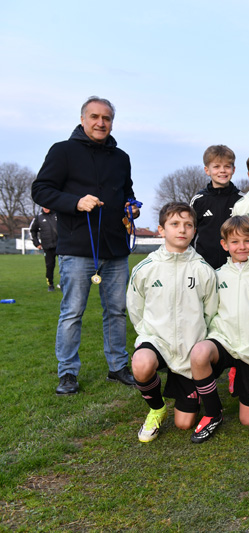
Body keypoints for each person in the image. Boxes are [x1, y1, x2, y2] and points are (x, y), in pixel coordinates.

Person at [31, 96, 139, 395]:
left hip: (115, 248)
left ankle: (117, 367)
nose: (100, 123)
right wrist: (75, 202)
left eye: (106, 118)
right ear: (83, 120)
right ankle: (67, 373)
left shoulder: (121, 157)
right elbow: (40, 190)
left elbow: (127, 192)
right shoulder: (63, 150)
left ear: (112, 122)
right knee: (72, 313)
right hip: (76, 247)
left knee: (116, 312)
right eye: (94, 117)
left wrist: (131, 206)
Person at [187, 215, 249, 443]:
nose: (241, 246)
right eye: (235, 242)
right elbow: (210, 311)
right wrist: (210, 336)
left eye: (247, 241)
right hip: (224, 341)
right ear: (224, 245)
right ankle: (213, 413)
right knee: (199, 353)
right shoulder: (217, 275)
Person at [127, 202, 219, 442]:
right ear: (161, 230)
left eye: (188, 225)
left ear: (195, 230)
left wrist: (197, 340)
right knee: (141, 363)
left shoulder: (203, 269)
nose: (182, 230)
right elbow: (135, 308)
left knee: (184, 424)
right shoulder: (146, 268)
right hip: (157, 340)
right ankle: (156, 409)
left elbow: (210, 312)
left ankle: (188, 389)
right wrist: (147, 334)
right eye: (175, 224)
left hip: (189, 347)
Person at [190, 145, 245, 269]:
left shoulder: (242, 200)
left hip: (236, 267)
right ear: (207, 170)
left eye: (227, 166)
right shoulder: (198, 200)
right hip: (204, 267)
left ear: (233, 169)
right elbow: (190, 235)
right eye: (216, 167)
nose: (222, 170)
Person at [29, 207, 58, 291]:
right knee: (49, 266)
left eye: (47, 206)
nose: (45, 208)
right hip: (47, 247)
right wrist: (36, 243)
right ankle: (50, 285)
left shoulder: (58, 215)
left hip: (60, 246)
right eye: (43, 206)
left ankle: (64, 283)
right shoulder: (38, 218)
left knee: (65, 266)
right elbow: (32, 231)